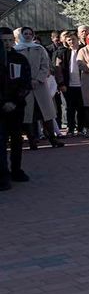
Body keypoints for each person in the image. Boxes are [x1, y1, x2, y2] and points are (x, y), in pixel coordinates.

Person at [16, 27, 64, 147]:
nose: (27, 36)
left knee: (47, 114)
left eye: (29, 34)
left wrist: (38, 79)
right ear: (21, 35)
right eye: (25, 34)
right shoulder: (16, 50)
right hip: (25, 87)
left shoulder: (39, 48)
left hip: (40, 85)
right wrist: (26, 81)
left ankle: (53, 139)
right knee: (28, 115)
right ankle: (32, 141)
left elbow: (45, 65)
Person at [0, 27, 32, 189]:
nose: (6, 43)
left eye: (9, 40)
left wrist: (15, 101)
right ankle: (2, 175)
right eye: (3, 40)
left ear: (13, 40)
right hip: (1, 108)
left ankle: (16, 170)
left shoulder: (19, 59)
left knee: (17, 139)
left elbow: (26, 82)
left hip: (16, 107)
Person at [59, 30, 85, 136]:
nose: (71, 41)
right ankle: (70, 128)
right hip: (69, 85)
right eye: (69, 40)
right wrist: (61, 83)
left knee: (81, 108)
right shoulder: (63, 53)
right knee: (69, 108)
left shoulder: (82, 50)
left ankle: (80, 128)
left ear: (77, 39)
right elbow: (59, 69)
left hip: (82, 84)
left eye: (73, 39)